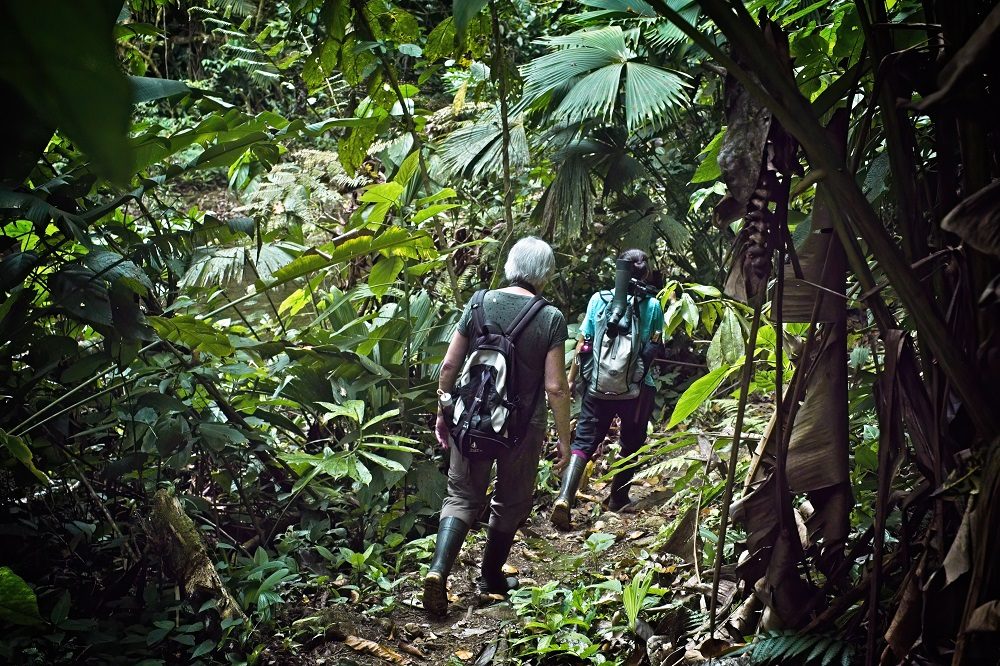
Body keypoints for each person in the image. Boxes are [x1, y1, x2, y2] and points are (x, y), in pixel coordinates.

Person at [423, 236, 572, 617]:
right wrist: (565, 441)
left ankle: (438, 570)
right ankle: (491, 576)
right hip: (523, 428)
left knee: (459, 495)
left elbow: (449, 368)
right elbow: (555, 386)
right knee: (511, 500)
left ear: (510, 266)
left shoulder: (478, 302)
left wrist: (444, 410)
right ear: (546, 275)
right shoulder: (551, 318)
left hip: (470, 419)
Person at [550, 249, 664, 530]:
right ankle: (618, 498)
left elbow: (583, 342)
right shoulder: (652, 306)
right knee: (632, 443)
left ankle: (565, 497)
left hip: (597, 387)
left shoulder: (597, 300)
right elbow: (654, 346)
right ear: (645, 273)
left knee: (584, 442)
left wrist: (573, 378)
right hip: (637, 390)